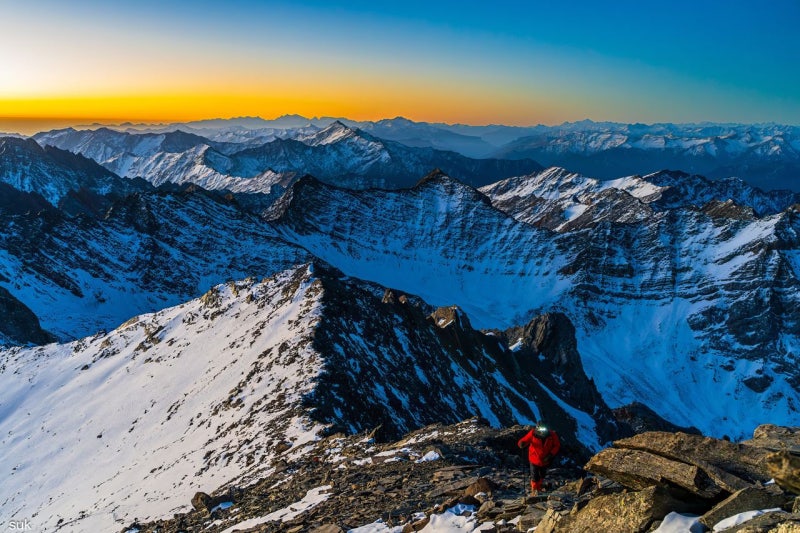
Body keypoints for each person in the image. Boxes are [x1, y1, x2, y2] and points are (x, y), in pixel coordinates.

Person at [518, 420, 561, 495]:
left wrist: (550, 455)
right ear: (537, 428)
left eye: (544, 429)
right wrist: (521, 444)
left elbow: (557, 445)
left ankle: (539, 487)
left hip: (545, 460)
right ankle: (534, 490)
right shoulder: (533, 433)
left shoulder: (552, 435)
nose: (543, 431)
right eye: (541, 429)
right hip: (534, 459)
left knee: (542, 474)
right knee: (534, 476)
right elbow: (524, 440)